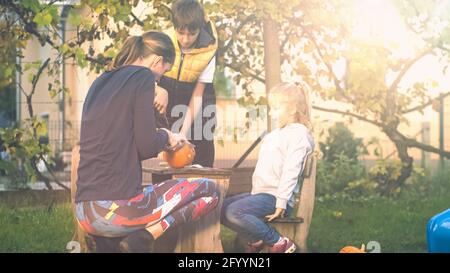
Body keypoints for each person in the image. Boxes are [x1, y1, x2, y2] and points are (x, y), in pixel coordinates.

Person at [74, 31, 219, 252]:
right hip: (115, 210)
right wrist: (168, 136)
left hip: (85, 211)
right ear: (157, 61)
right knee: (211, 190)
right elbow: (147, 145)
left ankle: (115, 244)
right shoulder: (143, 77)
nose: (160, 79)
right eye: (163, 73)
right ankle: (142, 239)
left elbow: (127, 142)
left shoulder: (100, 81)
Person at [221, 83, 315, 253]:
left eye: (276, 108)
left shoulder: (299, 135)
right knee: (219, 208)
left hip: (276, 198)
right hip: (262, 195)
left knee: (233, 212)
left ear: (293, 109)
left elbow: (291, 171)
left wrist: (281, 203)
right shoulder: (277, 134)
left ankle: (279, 242)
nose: (271, 113)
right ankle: (256, 239)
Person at [155, 0, 218, 167]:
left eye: (192, 34)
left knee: (199, 143)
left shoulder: (209, 50)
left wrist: (183, 133)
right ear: (174, 27)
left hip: (198, 104)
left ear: (199, 29)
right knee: (169, 144)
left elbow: (198, 95)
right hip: (169, 99)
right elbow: (145, 75)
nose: (185, 39)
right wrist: (158, 89)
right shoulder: (162, 43)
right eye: (180, 33)